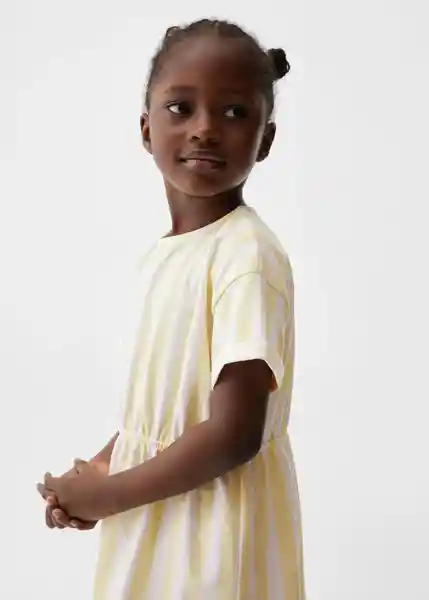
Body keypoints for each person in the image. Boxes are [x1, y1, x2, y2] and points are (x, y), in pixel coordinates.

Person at [37, 18, 305, 600]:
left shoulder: (245, 256)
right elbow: (169, 407)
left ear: (265, 140)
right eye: (181, 108)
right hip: (160, 518)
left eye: (234, 112)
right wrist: (98, 472)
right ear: (146, 128)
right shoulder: (169, 256)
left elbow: (233, 433)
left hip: (209, 534)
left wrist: (110, 495)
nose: (205, 128)